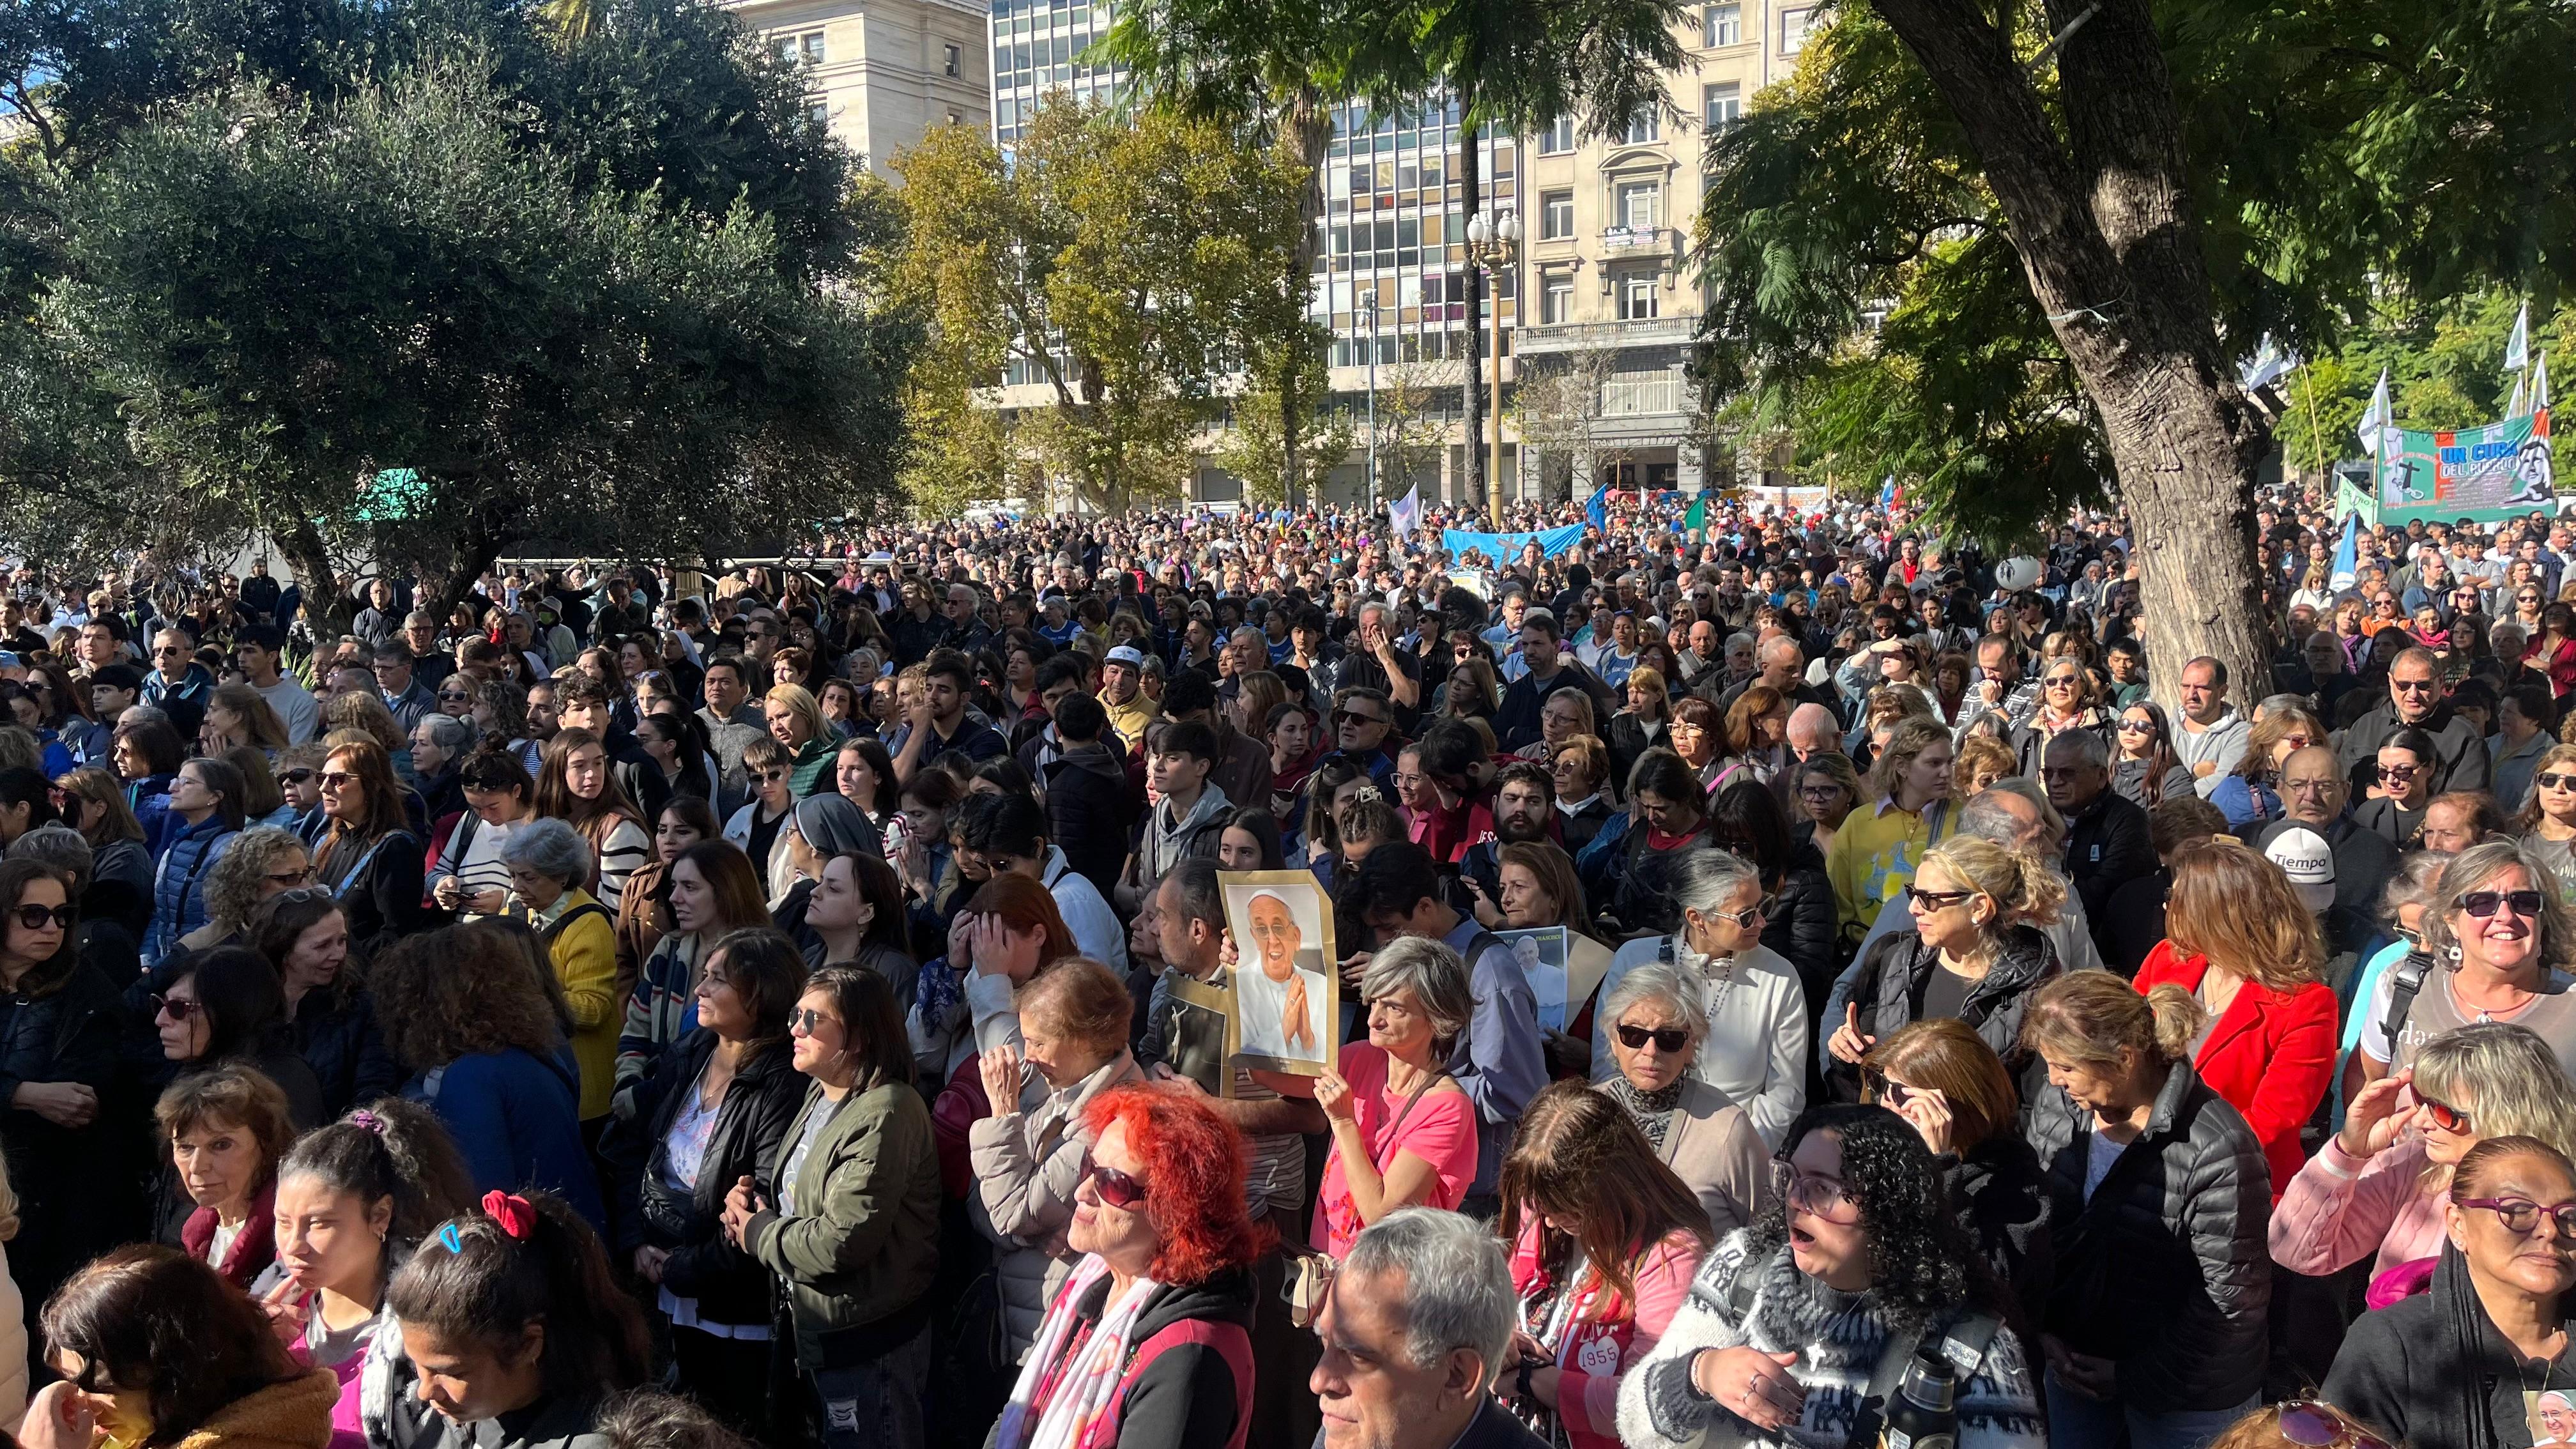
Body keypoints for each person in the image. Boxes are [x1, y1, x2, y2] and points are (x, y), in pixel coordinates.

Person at [1617, 1103, 2046, 1449]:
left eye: (1822, 1188)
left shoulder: (1970, 1351)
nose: (1795, 1201)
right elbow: (1633, 1422)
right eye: (1791, 1178)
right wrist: (1700, 1373)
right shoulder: (1744, 1264)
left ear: (1889, 1210)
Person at [2022, 970, 2272, 1448]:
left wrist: (2133, 1377)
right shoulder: (2059, 1107)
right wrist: (2044, 1328)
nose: (2054, 1080)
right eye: (2049, 1064)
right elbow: (2037, 1227)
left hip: (2188, 1396)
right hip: (2077, 1367)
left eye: (2067, 1067)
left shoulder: (2219, 1148)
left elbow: (2230, 1304)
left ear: (2124, 1058)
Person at [721, 963, 940, 1449]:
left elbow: (841, 1241)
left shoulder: (888, 1111)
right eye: (797, 1014)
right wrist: (750, 1206)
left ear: (859, 1037)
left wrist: (757, 1232)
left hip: (867, 1347)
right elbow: (800, 1201)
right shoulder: (822, 1093)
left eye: (813, 1020)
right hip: (816, 1333)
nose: (794, 1029)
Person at [610, 928, 809, 1438]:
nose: (700, 989)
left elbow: (760, 1203)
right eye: (705, 976)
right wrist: (637, 1243)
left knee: (734, 1427)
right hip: (668, 1282)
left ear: (760, 994)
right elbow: (632, 1146)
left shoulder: (781, 1082)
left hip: (734, 1303)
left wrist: (682, 1268)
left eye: (718, 980)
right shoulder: (691, 1051)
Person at [986, 1084, 1262, 1449]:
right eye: (1090, 1166)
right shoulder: (1092, 1281)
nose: (1082, 1192)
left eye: (1111, 1184)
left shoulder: (1189, 1360)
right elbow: (1020, 1412)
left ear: (1173, 1213)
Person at [2276, 1020, 2576, 1295]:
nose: (2420, 1121)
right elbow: (2296, 1254)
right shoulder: (2415, 1164)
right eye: (2422, 1100)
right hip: (2403, 1347)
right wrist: (2347, 1154)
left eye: (2443, 1111)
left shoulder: (2564, 1198)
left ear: (2508, 1116)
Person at [1495, 1080, 1712, 1449]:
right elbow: (1501, 1299)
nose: (1546, 1221)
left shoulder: (1668, 1256)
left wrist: (1532, 1380)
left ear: (1611, 1186)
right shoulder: (1543, 1214)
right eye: (1541, 1204)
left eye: (1566, 1208)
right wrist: (1499, 1341)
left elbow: (1646, 1400)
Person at [2320, 1136, 2576, 1449]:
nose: (2550, 1230)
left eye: (2569, 1216)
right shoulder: (2394, 1345)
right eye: (2517, 1210)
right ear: (2457, 1225)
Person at [1340, 841, 1544, 1208]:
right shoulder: (1411, 961)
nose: (1383, 942)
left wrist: (1424, 1096)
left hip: (1474, 1194)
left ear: (1425, 907)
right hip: (1409, 1177)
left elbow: (1514, 1091)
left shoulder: (1491, 975)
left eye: (1390, 929)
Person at [966, 958, 1147, 1360]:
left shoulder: (1109, 1118)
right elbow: (979, 1205)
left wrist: (1003, 1114)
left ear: (1085, 1041)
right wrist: (1026, 1231)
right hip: (1026, 1312)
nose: (1027, 1056)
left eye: (1038, 1042)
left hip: (1056, 1328)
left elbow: (1010, 1212)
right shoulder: (1062, 1091)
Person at [371, 925, 606, 1230]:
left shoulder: (470, 1077)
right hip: (576, 1232)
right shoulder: (531, 1051)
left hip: (535, 1252)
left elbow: (480, 1198)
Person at [373, 1191, 651, 1449]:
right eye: (418, 1366)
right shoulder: (463, 1417)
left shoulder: (597, 1441)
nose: (424, 1392)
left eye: (452, 1373)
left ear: (528, 1345)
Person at [254, 1099, 477, 1416]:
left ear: (380, 1215)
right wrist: (247, 1353)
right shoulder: (267, 1318)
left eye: (318, 1224)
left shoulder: (426, 1334)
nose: (294, 1245)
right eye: (283, 1222)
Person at [1593, 849, 1807, 1146]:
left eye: (1763, 906)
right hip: (1638, 1145)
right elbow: (1606, 1067)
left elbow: (1785, 1093)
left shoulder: (1779, 976)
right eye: (1746, 915)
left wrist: (1743, 1154)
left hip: (1735, 1143)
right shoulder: (1635, 959)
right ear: (1697, 918)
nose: (1761, 922)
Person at [25, 1246, 337, 1449]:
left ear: (175, 1369)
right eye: (75, 1382)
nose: (85, 1403)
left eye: (99, 1384)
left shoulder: (248, 1442)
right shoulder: (149, 1428)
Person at [1830, 833, 2066, 1103]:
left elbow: (2042, 1106)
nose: (1913, 908)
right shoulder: (1893, 959)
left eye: (1928, 898)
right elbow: (1866, 1083)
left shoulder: (2037, 991)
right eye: (1912, 893)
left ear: (1979, 907)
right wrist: (1848, 1055)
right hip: (1895, 1139)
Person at [1310, 1207, 1546, 1449]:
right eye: (1325, 1342)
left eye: (1357, 1356)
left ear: (1456, 1376)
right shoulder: (1349, 1428)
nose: (1318, 1380)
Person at [1862, 1018, 2053, 1314]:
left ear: (1952, 1106)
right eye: (1882, 1085)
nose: (1885, 1101)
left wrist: (1940, 1168)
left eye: (1899, 1093)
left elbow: (1993, 1284)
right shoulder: (1896, 1153)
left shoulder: (2018, 1182)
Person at [2353, 839, 2576, 1086]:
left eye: (2524, 902)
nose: (2505, 916)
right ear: (2451, 919)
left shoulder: (2570, 1006)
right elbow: (2371, 1083)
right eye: (2482, 903)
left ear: (2543, 918)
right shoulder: (2402, 986)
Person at [1312, 935, 1480, 1257]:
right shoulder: (1359, 1057)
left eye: (1393, 1007)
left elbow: (1381, 1217)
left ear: (1437, 1019)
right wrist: (1249, 974)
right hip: (1326, 1275)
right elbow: (1274, 1072)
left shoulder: (1447, 1107)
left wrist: (1345, 1122)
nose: (1374, 1019)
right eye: (1375, 1001)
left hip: (1386, 1290)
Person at [1594, 961, 1771, 1237]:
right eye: (1634, 1035)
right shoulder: (1585, 1115)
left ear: (1693, 1046)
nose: (1650, 1051)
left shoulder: (1727, 1128)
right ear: (1613, 1039)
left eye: (1669, 1038)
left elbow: (1768, 1229)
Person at [617, 841, 772, 1096]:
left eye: (689, 887)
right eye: (674, 885)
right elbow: (637, 1030)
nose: (674, 898)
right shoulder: (668, 950)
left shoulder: (761, 962)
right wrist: (630, 1088)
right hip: (651, 1107)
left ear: (726, 891)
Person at [498, 819, 619, 1128]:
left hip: (582, 1086)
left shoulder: (588, 924)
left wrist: (522, 994)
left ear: (562, 876)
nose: (516, 886)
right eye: (513, 875)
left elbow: (594, 1009)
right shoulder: (517, 909)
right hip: (536, 1071)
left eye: (528, 877)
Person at [155, 1062, 295, 1288]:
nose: (197, 1166)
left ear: (266, 1144)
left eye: (221, 1145)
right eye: (185, 1147)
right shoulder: (195, 1232)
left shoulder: (289, 1237)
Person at [1823, 715, 1956, 946]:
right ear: (1901, 766)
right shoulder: (1859, 822)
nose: (1946, 772)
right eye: (1934, 763)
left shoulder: (1964, 820)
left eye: (1949, 763)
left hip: (1932, 955)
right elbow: (1835, 900)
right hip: (1864, 954)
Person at [309, 740, 427, 955]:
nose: (324, 787)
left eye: (337, 779)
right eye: (321, 778)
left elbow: (397, 936)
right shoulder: (325, 842)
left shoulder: (396, 847)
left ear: (374, 784)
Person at [2334, 645, 2492, 796]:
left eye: (2423, 685)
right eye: (2403, 685)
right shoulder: (2366, 725)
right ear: (2390, 681)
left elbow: (2465, 805)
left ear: (2440, 681)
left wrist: (2395, 801)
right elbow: (2341, 783)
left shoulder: (2464, 737)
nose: (2413, 694)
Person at [534, 728, 650, 913]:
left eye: (598, 763)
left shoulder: (620, 829)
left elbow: (616, 914)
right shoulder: (543, 820)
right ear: (557, 771)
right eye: (579, 766)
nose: (592, 774)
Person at [145, 755, 245, 965]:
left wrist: (176, 969)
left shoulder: (229, 849)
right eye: (176, 780)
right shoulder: (176, 844)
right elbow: (160, 916)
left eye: (187, 782)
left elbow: (218, 928)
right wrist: (147, 960)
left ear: (215, 797)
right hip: (167, 964)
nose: (173, 788)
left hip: (200, 968)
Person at [2113, 702, 2197, 809]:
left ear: (2158, 732)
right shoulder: (2103, 771)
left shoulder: (2175, 777)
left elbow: (2178, 823)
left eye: (2141, 725)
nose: (2130, 731)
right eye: (2124, 723)